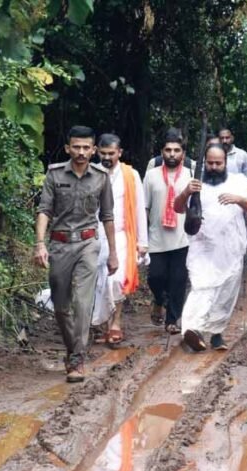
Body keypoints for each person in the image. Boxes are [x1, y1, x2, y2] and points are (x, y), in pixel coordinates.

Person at [34, 126, 118, 383]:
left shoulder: (101, 177)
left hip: (88, 244)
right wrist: (40, 244)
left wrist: (113, 253)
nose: (81, 152)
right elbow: (44, 210)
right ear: (68, 148)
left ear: (93, 150)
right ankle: (73, 349)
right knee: (61, 307)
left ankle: (77, 359)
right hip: (59, 245)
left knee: (82, 303)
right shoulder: (54, 174)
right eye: (76, 147)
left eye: (86, 148)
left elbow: (107, 216)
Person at [174, 144, 247, 351]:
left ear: (226, 162)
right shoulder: (194, 182)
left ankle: (217, 334)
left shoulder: (238, 181)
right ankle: (192, 329)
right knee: (201, 286)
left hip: (231, 247)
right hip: (202, 245)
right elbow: (177, 207)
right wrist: (186, 192)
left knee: (226, 292)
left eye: (218, 163)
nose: (213, 167)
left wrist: (238, 199)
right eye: (210, 163)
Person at [90, 134, 149, 346]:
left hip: (123, 235)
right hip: (95, 235)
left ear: (120, 153)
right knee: (98, 281)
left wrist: (142, 242)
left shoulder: (131, 175)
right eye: (103, 153)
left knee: (116, 280)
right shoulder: (91, 173)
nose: (107, 157)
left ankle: (115, 323)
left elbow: (139, 208)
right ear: (97, 152)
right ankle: (100, 323)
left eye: (111, 153)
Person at [143, 129, 192, 334]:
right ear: (162, 152)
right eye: (168, 150)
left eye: (176, 150)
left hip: (183, 237)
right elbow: (144, 207)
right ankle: (159, 300)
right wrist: (142, 236)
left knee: (178, 280)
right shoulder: (151, 175)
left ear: (183, 153)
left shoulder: (191, 173)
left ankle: (172, 319)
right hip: (157, 237)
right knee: (155, 277)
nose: (172, 154)